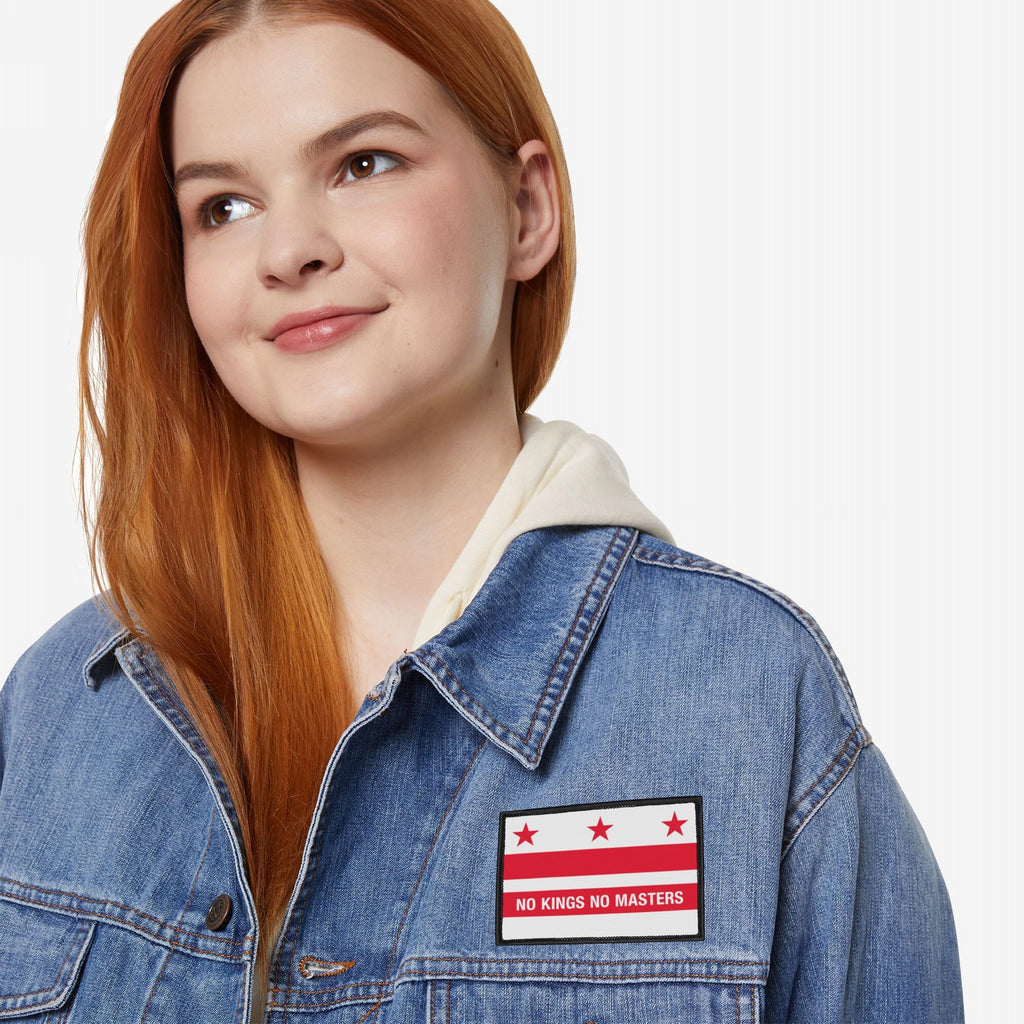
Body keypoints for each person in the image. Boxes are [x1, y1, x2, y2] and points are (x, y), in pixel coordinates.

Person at [0, 0, 963, 1020]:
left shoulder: (750, 705)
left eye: (363, 162)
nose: (287, 251)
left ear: (529, 208)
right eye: (223, 208)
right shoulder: (66, 705)